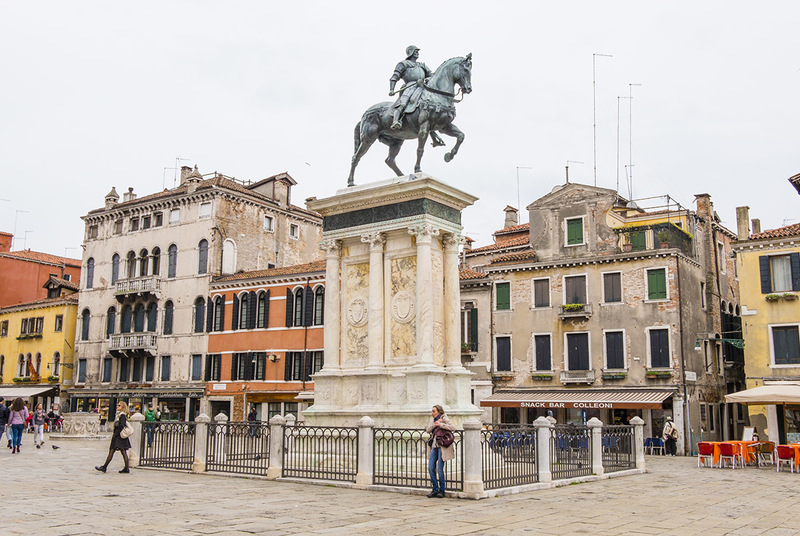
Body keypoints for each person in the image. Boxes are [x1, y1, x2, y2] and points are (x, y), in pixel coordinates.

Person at [388, 46, 445, 147]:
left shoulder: (422, 65)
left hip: (422, 87)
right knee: (404, 102)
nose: (417, 53)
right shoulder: (403, 64)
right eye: (415, 51)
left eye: (417, 52)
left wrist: (429, 80)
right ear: (410, 52)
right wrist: (392, 89)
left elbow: (431, 76)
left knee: (429, 107)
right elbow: (395, 77)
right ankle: (396, 121)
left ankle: (434, 133)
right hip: (410, 87)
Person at [425, 405, 456, 498]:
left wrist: (441, 424)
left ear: (439, 412)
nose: (432, 413)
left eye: (434, 411)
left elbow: (453, 427)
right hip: (434, 446)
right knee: (430, 467)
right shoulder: (433, 420)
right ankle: (435, 489)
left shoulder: (444, 418)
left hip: (442, 446)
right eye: (432, 411)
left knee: (439, 469)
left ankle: (442, 490)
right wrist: (435, 424)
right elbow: (427, 430)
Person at [95, 401, 132, 473]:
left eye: (119, 405)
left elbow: (121, 425)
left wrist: (116, 434)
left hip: (118, 436)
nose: (117, 407)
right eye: (117, 405)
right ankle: (126, 468)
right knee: (122, 451)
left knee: (113, 451)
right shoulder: (119, 415)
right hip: (119, 436)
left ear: (123, 407)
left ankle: (104, 467)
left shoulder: (122, 415)